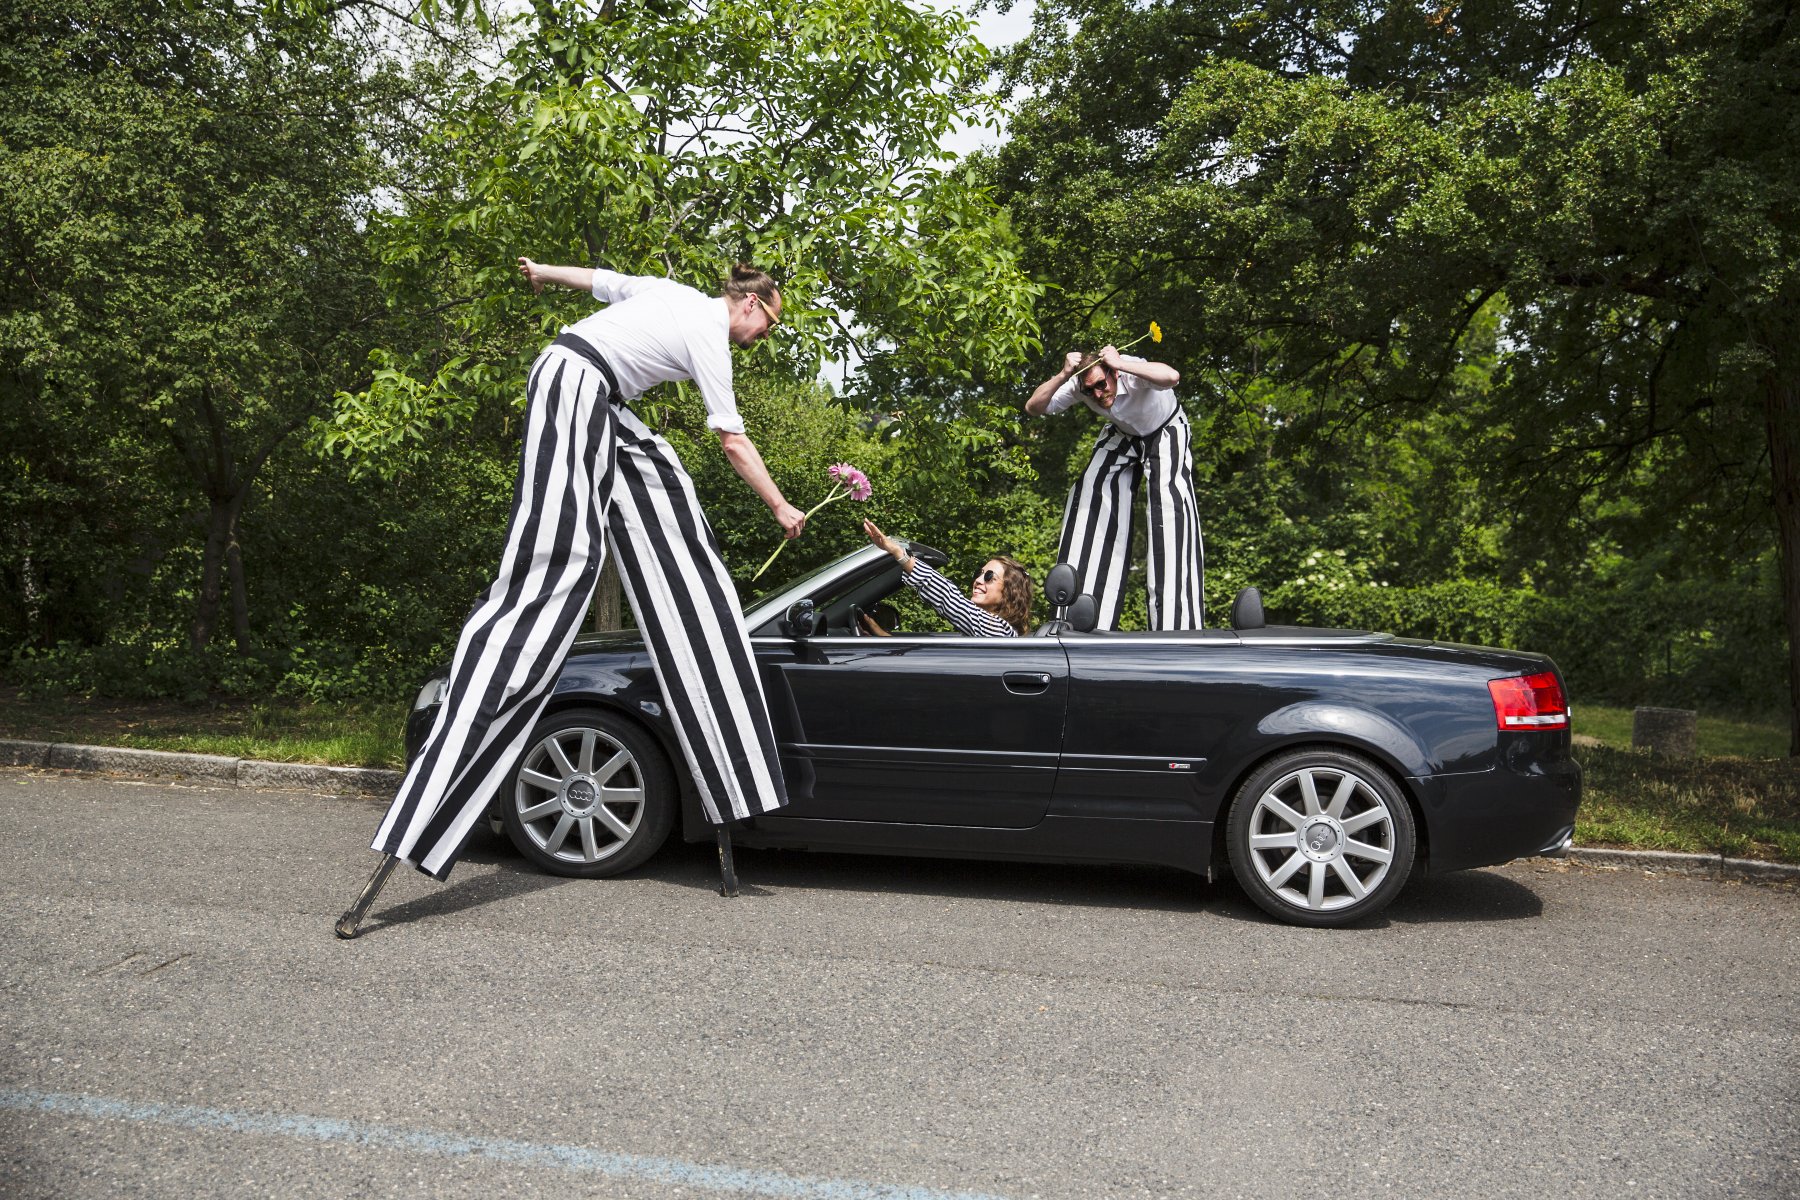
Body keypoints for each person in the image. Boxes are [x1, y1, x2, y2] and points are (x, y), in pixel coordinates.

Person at [338, 257, 804, 933]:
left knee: (665, 490)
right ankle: (429, 813)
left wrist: (541, 273)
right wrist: (780, 505)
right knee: (562, 559)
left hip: (597, 398)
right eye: (770, 324)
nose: (763, 338)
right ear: (752, 304)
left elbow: (598, 279)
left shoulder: (669, 293)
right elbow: (733, 441)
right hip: (575, 382)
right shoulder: (710, 333)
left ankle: (733, 783)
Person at [1025, 344, 1204, 630]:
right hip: (1124, 435)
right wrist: (1062, 375)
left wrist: (1120, 363)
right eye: (1089, 390)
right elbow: (1033, 407)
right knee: (1090, 489)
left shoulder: (1129, 371)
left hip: (1166, 427)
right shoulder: (1080, 383)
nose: (1098, 394)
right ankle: (1080, 619)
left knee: (1170, 508)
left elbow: (1172, 377)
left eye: (1101, 384)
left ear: (1114, 374)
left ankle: (1177, 626)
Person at [861, 518, 1032, 637]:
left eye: (989, 576)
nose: (978, 580)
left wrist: (899, 552)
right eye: (979, 574)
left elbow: (949, 598)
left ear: (1009, 592)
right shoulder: (986, 632)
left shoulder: (999, 631)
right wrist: (884, 638)